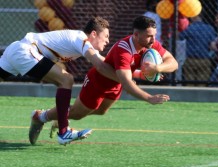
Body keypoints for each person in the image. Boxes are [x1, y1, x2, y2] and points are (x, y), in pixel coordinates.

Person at [31, 16, 178, 139]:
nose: (153, 40)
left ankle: (60, 117)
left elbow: (173, 63)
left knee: (101, 111)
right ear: (136, 35)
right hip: (98, 82)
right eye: (149, 36)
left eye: (154, 35)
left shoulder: (151, 44)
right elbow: (126, 83)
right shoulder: (124, 50)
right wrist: (149, 98)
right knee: (77, 113)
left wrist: (157, 68)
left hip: (115, 84)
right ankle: (41, 116)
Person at [0, 16, 118, 145]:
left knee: (65, 80)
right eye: (106, 36)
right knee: (66, 80)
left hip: (16, 49)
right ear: (94, 34)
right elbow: (100, 65)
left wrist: (132, 72)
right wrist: (124, 79)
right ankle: (63, 132)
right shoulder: (81, 39)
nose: (108, 40)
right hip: (25, 50)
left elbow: (103, 61)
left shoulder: (84, 43)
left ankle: (49, 123)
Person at [178, 15, 217, 84]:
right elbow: (212, 46)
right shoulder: (209, 28)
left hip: (191, 59)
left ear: (193, 17)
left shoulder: (189, 28)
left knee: (189, 82)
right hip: (204, 59)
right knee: (202, 82)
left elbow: (180, 37)